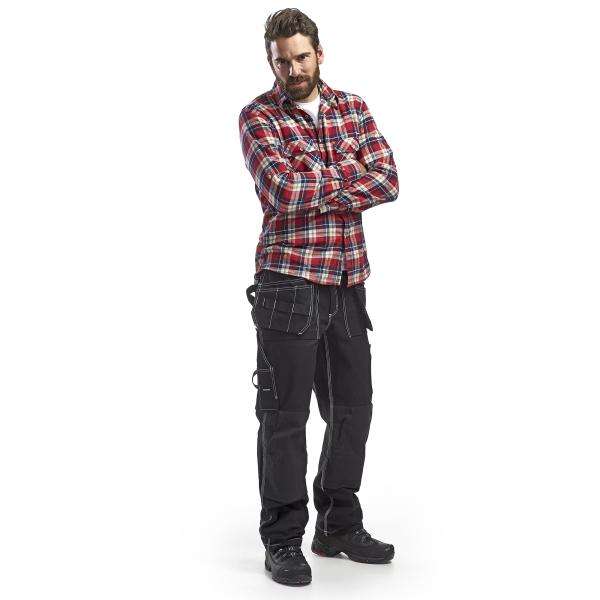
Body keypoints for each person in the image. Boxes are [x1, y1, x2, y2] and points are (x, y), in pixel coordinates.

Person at [238, 8, 399, 586]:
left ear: (319, 54)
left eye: (301, 57)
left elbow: (388, 179)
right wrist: (348, 177)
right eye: (282, 61)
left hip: (348, 282)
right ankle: (282, 538)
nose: (293, 69)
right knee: (284, 417)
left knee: (353, 409)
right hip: (288, 283)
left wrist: (318, 183)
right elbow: (281, 192)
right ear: (271, 62)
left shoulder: (352, 107)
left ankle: (338, 524)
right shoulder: (258, 116)